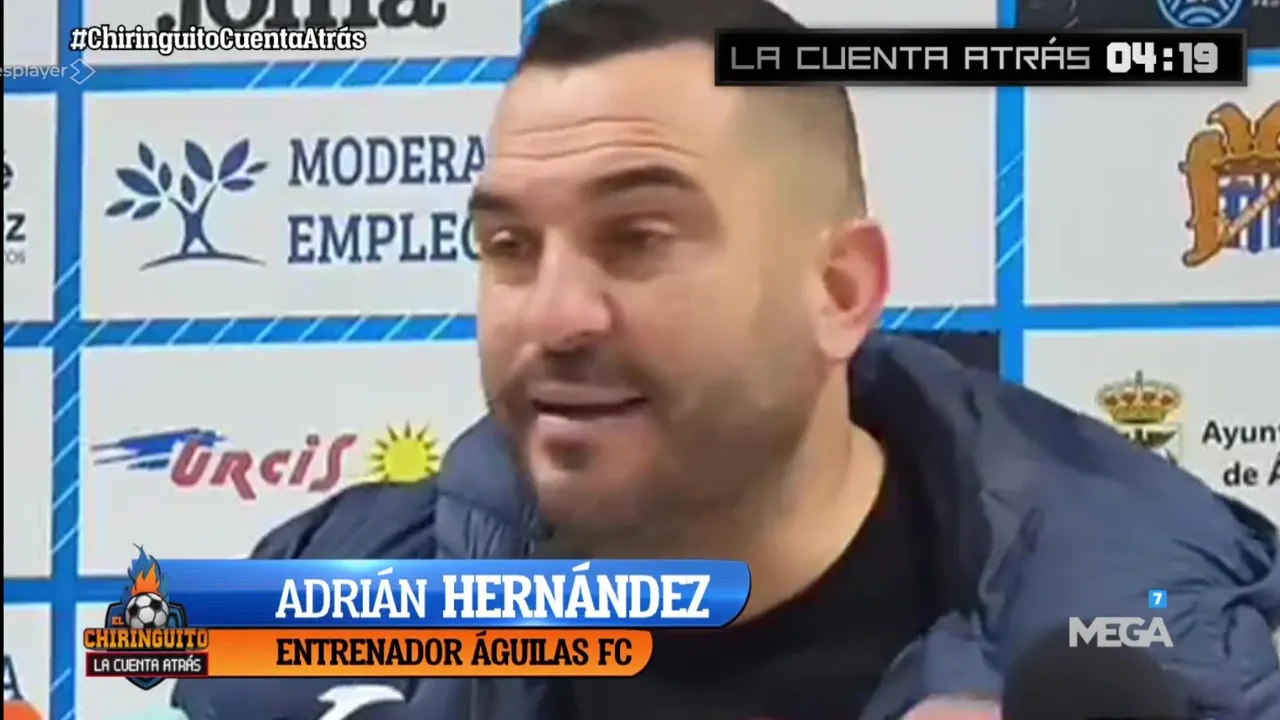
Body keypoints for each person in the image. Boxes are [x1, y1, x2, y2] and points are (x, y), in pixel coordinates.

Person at [170, 0, 1280, 718]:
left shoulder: (1174, 667)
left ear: (838, 292)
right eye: (509, 247)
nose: (554, 314)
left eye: (638, 237)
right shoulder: (319, 614)